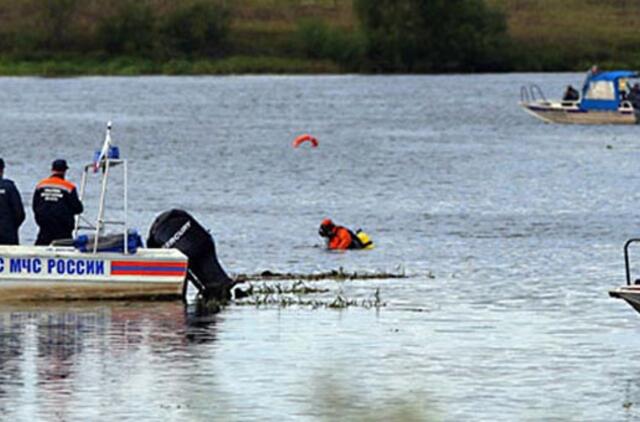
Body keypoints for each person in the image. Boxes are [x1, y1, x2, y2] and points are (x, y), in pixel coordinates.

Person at [33, 159, 83, 246]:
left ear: (52, 170)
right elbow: (78, 208)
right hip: (63, 228)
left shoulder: (41, 185)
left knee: (40, 248)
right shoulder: (69, 187)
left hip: (44, 225)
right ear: (64, 171)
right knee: (66, 251)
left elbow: (35, 205)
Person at [0, 158, 25, 245]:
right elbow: (20, 213)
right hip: (7, 233)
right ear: (2, 170)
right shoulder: (9, 187)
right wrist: (11, 227)